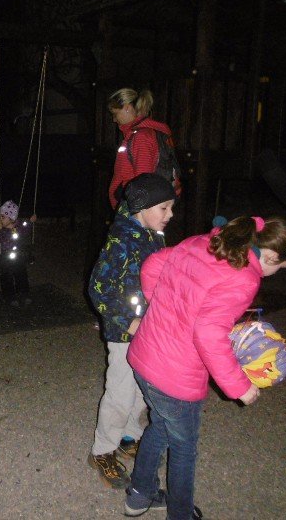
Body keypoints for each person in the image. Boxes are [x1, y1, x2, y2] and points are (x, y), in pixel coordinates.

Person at [123, 215, 286, 519]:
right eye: (281, 267)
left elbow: (153, 264)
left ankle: (139, 494)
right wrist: (240, 386)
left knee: (161, 426)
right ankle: (180, 514)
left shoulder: (203, 242)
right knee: (184, 448)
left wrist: (163, 306)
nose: (276, 273)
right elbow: (208, 333)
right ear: (272, 256)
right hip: (176, 377)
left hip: (146, 356)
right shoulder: (244, 277)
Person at [87, 174, 175, 489]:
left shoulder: (154, 235)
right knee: (121, 392)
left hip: (150, 330)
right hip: (125, 333)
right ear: (141, 207)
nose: (170, 215)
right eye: (164, 208)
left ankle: (129, 436)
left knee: (142, 389)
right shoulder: (121, 241)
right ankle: (102, 450)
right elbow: (99, 288)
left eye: (171, 208)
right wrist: (129, 322)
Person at [107, 88, 181, 209]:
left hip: (136, 206)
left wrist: (136, 211)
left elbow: (143, 181)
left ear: (127, 107)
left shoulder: (141, 137)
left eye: (115, 114)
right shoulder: (139, 134)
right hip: (137, 203)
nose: (114, 119)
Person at [0, 200, 37, 307]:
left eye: (3, 217)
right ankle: (9, 296)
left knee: (21, 272)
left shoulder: (18, 227)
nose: (0, 218)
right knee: (6, 274)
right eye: (0, 216)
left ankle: (24, 293)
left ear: (11, 219)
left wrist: (30, 222)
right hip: (2, 255)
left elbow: (25, 229)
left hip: (16, 254)